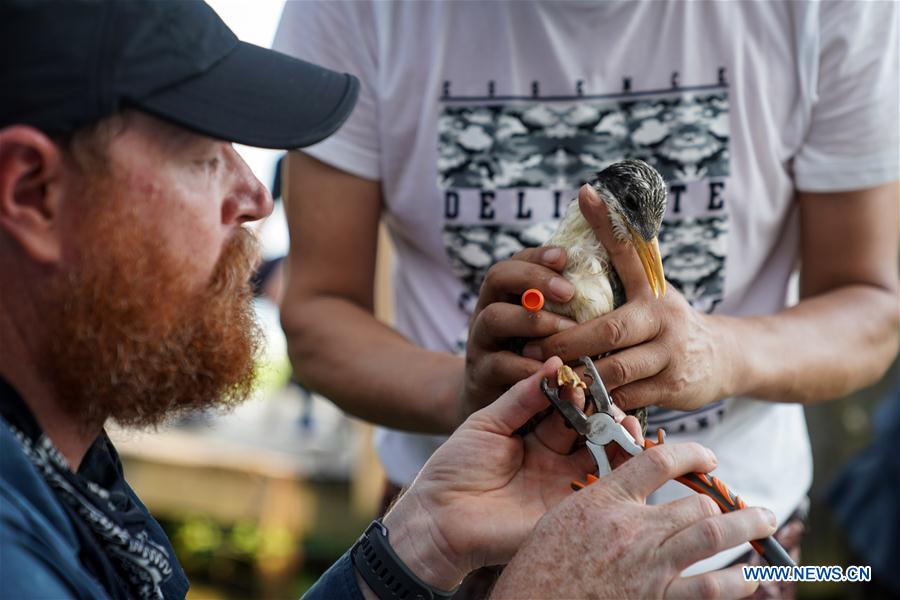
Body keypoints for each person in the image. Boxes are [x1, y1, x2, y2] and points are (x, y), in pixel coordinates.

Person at [0, 1, 776, 599]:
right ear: (33, 191)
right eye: (204, 156)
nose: (255, 198)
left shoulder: (65, 476)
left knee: (839, 579)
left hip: (773, 563)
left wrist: (410, 549)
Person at [273, 1, 899, 585]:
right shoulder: (352, 11)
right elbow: (317, 312)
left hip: (734, 557)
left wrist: (718, 353)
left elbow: (872, 306)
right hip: (455, 546)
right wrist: (469, 394)